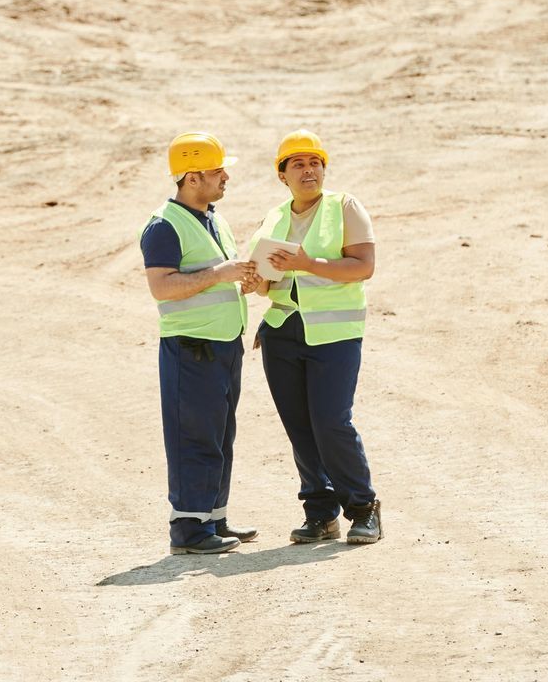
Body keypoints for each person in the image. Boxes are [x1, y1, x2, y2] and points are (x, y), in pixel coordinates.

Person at [247, 129, 382, 545]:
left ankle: (363, 508)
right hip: (283, 331)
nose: (309, 170)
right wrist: (256, 282)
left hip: (334, 334)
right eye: (298, 164)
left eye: (315, 163)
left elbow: (363, 266)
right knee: (300, 427)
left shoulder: (345, 207)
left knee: (331, 422)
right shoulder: (274, 218)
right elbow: (269, 278)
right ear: (282, 175)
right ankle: (320, 512)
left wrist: (307, 263)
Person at [141, 131, 266, 556]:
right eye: (217, 171)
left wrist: (242, 281)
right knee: (193, 436)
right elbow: (162, 287)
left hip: (223, 344)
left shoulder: (214, 218)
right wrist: (220, 274)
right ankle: (189, 528)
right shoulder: (163, 225)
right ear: (192, 177)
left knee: (219, 434)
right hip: (191, 347)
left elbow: (213, 278)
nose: (225, 176)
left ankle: (213, 517)